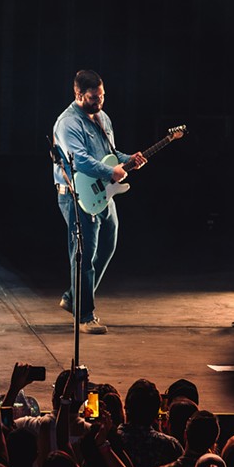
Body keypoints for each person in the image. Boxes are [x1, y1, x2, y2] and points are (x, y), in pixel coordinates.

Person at [51, 69, 147, 334]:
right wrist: (110, 172)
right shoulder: (68, 123)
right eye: (94, 98)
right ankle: (85, 316)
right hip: (76, 195)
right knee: (83, 256)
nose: (99, 102)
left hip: (103, 193)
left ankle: (73, 297)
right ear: (79, 94)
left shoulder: (103, 117)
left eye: (102, 96)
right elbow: (79, 159)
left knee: (108, 245)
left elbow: (110, 153)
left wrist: (129, 159)